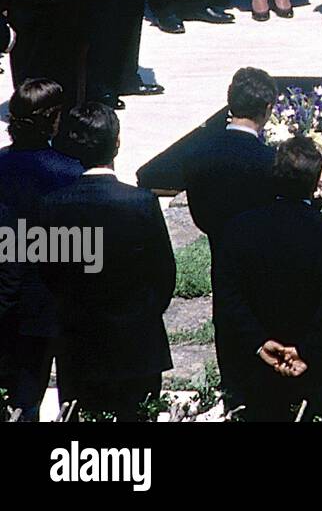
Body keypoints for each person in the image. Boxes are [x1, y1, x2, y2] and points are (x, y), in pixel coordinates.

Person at [38, 102, 174, 421]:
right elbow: (164, 274)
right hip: (137, 345)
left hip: (79, 345)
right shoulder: (141, 203)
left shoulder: (52, 206)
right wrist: (142, 314)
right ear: (117, 143)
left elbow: (50, 275)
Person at [214, 136, 322, 422]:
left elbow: (228, 296)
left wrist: (260, 342)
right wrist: (303, 350)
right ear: (315, 183)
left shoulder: (236, 229)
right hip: (316, 370)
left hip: (255, 370)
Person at [182, 66, 277, 403]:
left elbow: (199, 215)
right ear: (267, 110)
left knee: (230, 336)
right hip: (267, 269)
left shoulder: (199, 155)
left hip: (221, 256)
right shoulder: (270, 161)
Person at [0, 79, 82, 420]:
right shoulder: (70, 171)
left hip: (6, 295)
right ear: (54, 119)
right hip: (53, 300)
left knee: (16, 400)